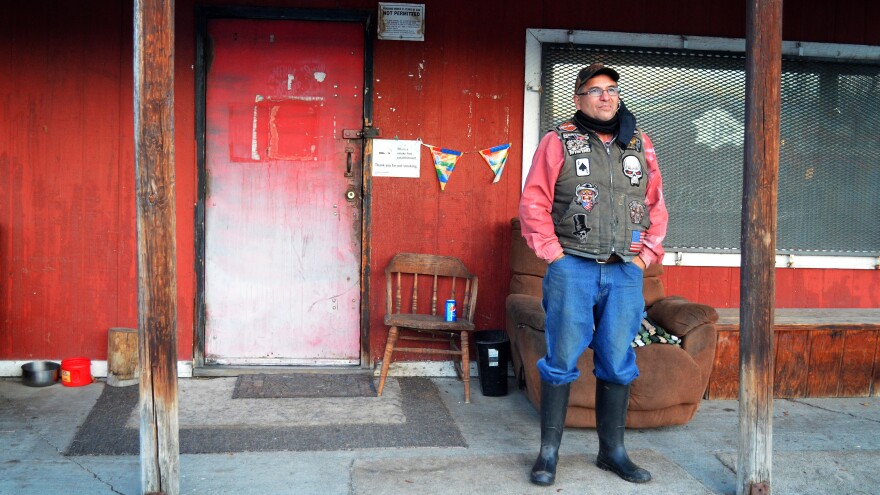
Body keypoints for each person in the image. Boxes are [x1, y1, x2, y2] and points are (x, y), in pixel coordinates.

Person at [519, 63, 668, 485]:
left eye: (612, 89)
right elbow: (534, 203)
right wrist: (554, 256)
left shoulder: (640, 143)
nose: (606, 96)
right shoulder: (558, 141)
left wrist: (646, 257)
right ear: (578, 98)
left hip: (625, 271)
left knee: (618, 361)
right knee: (562, 358)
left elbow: (656, 204)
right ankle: (548, 454)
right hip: (574, 267)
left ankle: (613, 452)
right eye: (596, 90)